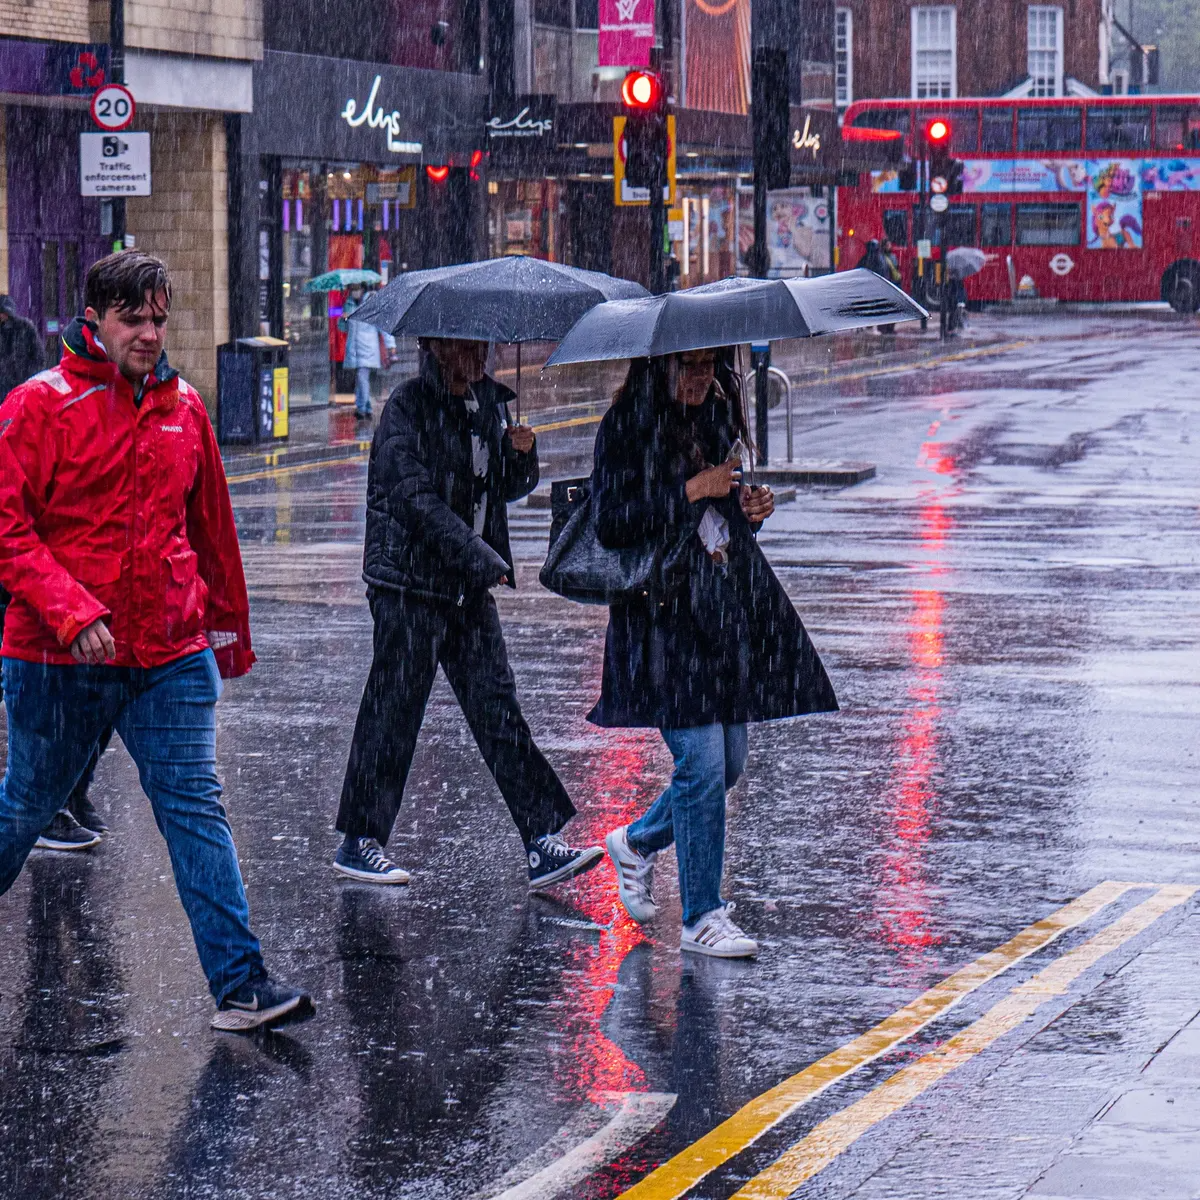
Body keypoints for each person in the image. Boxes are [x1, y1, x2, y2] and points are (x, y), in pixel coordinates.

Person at [0, 250, 313, 1032]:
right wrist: (73, 612)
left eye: (159, 318)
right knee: (27, 807)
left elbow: (211, 532)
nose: (149, 332)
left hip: (170, 653)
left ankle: (241, 984)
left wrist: (226, 635)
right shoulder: (38, 407)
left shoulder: (185, 409)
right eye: (133, 318)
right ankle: (241, 982)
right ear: (94, 319)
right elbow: (9, 532)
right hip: (58, 658)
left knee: (196, 808)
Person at [593, 348, 838, 959]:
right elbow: (612, 522)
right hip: (662, 616)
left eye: (710, 366)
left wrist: (749, 510)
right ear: (659, 368)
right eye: (689, 367)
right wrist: (688, 490)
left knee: (725, 767)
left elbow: (719, 518)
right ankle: (702, 915)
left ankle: (638, 841)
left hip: (721, 610)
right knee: (701, 766)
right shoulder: (627, 425)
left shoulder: (720, 413)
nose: (701, 378)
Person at [334, 337, 603, 891]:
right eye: (466, 346)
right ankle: (360, 841)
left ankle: (540, 841)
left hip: (465, 584)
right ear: (436, 347)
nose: (481, 355)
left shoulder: (487, 403)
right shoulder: (405, 409)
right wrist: (478, 554)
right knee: (394, 712)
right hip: (409, 584)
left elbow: (498, 488)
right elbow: (414, 498)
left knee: (497, 709)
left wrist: (521, 455)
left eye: (484, 344)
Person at [339, 283, 395, 421]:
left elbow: (383, 326)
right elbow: (343, 328)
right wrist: (343, 319)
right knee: (361, 379)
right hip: (354, 349)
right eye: (352, 289)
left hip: (368, 348)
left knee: (361, 377)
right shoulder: (349, 304)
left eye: (356, 289)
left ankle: (361, 409)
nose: (354, 292)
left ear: (362, 289)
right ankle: (367, 407)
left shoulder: (371, 304)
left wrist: (391, 345)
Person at [0, 294, 43, 402]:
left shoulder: (25, 327)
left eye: (4, 313)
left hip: (21, 383)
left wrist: (29, 377)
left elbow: (38, 356)